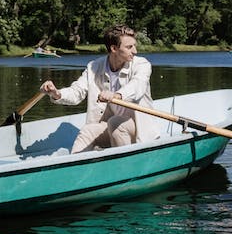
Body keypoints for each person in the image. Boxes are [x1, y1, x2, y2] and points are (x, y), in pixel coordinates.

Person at [40, 25, 158, 153]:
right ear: (113, 48)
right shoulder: (94, 67)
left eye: (134, 46)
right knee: (88, 131)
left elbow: (137, 86)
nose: (135, 51)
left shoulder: (142, 64)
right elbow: (77, 92)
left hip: (139, 129)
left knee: (116, 123)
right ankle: (74, 167)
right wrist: (56, 93)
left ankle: (124, 167)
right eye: (129, 47)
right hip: (113, 128)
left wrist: (116, 95)